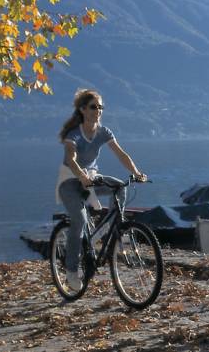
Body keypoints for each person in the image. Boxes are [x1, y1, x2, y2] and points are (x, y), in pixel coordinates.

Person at [56, 89, 147, 290]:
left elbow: (122, 154)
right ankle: (71, 271)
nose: (98, 110)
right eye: (93, 107)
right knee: (79, 220)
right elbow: (71, 159)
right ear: (82, 110)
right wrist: (81, 176)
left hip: (92, 178)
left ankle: (112, 228)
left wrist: (137, 173)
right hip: (70, 181)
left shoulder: (104, 132)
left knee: (120, 187)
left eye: (100, 107)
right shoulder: (74, 135)